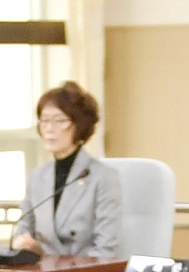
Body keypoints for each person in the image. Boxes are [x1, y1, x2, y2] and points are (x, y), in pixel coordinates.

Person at [9, 82, 120, 256]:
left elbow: (105, 249)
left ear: (80, 125)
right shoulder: (37, 176)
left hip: (84, 270)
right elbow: (23, 231)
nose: (49, 128)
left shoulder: (103, 177)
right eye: (44, 120)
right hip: (42, 269)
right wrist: (24, 244)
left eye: (59, 121)